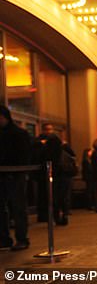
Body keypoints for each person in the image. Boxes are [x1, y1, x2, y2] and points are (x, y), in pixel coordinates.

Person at [0, 105, 32, 251]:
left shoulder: (18, 134)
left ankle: (21, 238)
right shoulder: (15, 133)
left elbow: (24, 155)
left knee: (18, 207)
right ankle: (4, 238)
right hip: (6, 174)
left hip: (15, 175)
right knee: (4, 208)